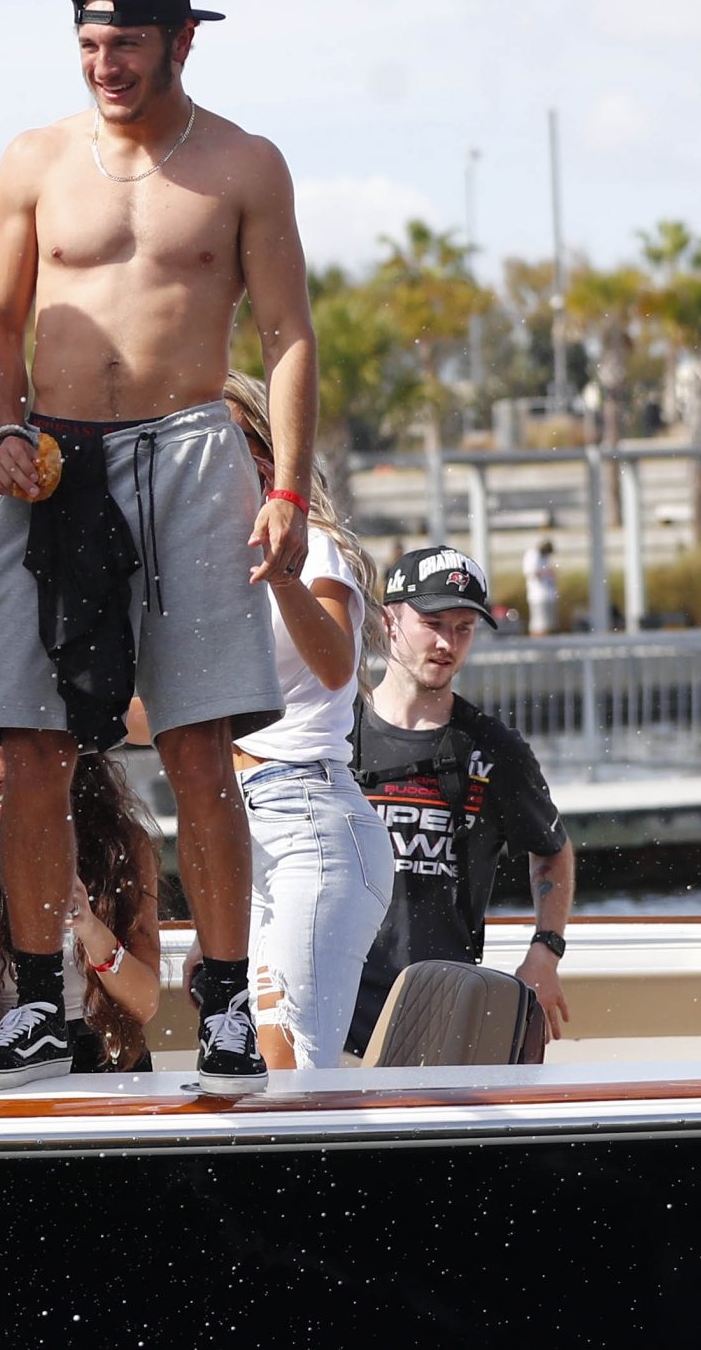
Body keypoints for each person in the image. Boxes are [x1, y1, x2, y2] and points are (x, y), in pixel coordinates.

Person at [0, 0, 314, 1094]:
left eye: (126, 44)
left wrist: (290, 490)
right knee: (27, 740)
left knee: (197, 741)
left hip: (188, 452)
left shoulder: (243, 164)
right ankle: (29, 1006)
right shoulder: (33, 159)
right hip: (52, 457)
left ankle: (220, 1003)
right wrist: (1, 428)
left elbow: (287, 337)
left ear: (180, 41)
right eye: (88, 46)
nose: (104, 65)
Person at [221, 373, 392, 1068]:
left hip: (311, 823)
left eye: (228, 439)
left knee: (293, 1074)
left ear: (267, 452)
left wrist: (281, 570)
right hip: (247, 834)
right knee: (263, 1073)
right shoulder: (215, 564)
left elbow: (333, 663)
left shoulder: (312, 547)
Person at [347, 546, 573, 1055]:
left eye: (464, 628)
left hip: (438, 1010)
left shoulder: (494, 749)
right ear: (389, 621)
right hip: (326, 1006)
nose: (447, 643)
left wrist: (545, 952)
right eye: (432, 623)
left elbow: (552, 848)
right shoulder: (332, 732)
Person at [0, 713, 162, 1074]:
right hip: (2, 1058)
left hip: (105, 1060)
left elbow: (144, 1003)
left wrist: (89, 926)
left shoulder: (121, 845)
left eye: (15, 756)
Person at [525, 540, 561, 637]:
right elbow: (531, 573)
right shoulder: (533, 555)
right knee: (538, 625)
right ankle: (538, 647)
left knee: (550, 625)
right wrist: (548, 572)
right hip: (538, 597)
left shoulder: (545, 557)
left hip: (549, 596)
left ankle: (547, 647)